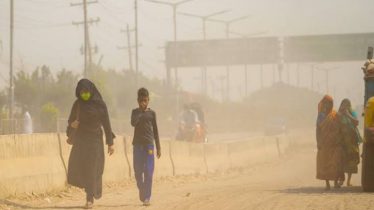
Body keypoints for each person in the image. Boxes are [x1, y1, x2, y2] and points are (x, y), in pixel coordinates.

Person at [66, 79, 115, 209]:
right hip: (81, 141)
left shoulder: (100, 105)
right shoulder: (77, 104)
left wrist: (110, 143)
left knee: (93, 168)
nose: (84, 94)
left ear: (91, 91)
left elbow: (106, 124)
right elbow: (69, 123)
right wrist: (72, 124)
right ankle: (88, 192)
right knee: (83, 168)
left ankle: (90, 198)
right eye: (81, 92)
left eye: (86, 92)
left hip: (95, 140)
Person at [131, 87, 161, 206]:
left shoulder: (152, 113)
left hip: (149, 146)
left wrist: (158, 146)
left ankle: (147, 197)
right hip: (137, 146)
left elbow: (156, 131)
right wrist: (140, 111)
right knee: (138, 172)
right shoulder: (135, 112)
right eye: (142, 100)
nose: (144, 102)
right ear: (138, 101)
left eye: (146, 100)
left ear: (149, 100)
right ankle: (142, 189)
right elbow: (133, 123)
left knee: (148, 172)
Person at [316, 95, 345, 190]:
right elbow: (318, 129)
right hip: (324, 144)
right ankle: (327, 184)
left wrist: (342, 139)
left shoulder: (336, 115)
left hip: (336, 143)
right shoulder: (321, 116)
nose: (327, 105)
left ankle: (336, 182)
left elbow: (341, 128)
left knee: (336, 162)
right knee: (325, 164)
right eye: (325, 103)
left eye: (329, 103)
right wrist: (318, 142)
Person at [338, 99, 362, 187]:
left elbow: (357, 122)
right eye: (344, 105)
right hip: (342, 142)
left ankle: (348, 181)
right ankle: (341, 180)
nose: (345, 107)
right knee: (341, 161)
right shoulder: (338, 114)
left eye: (347, 105)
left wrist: (348, 115)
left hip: (352, 142)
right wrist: (341, 113)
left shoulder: (352, 113)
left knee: (351, 161)